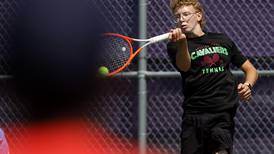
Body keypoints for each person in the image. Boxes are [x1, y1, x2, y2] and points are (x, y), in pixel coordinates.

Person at [167, 0, 258, 154]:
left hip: (222, 114)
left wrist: (248, 85)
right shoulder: (175, 44)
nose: (181, 19)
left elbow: (251, 69)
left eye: (186, 14)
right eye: (178, 16)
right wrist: (182, 43)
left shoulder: (222, 40)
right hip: (194, 115)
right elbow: (184, 66)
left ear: (198, 16)